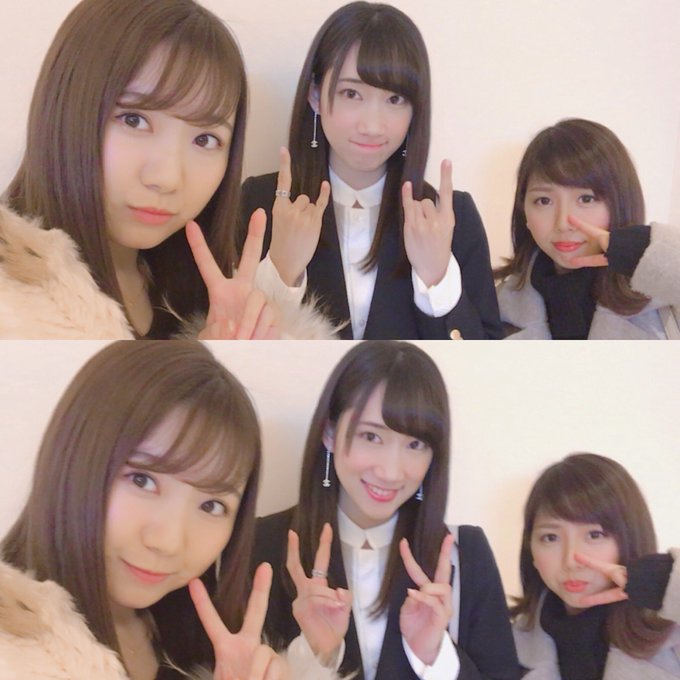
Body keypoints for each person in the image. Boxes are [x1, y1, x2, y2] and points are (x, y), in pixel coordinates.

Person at [0, 341, 338, 680]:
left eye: (211, 505)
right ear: (73, 457)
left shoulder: (191, 630)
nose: (168, 542)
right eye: (142, 480)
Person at [0, 0, 332, 340]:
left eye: (205, 139)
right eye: (134, 120)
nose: (167, 179)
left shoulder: (195, 294)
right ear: (65, 107)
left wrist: (224, 358)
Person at [253, 341, 520, 679]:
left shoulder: (465, 554)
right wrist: (316, 655)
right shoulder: (263, 544)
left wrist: (435, 657)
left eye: (415, 444)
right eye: (371, 437)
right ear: (330, 433)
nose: (391, 472)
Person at [239, 2, 502, 340]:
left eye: (395, 100)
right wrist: (281, 272)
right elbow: (224, 352)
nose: (373, 126)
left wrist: (437, 279)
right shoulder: (260, 205)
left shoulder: (451, 218)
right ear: (315, 95)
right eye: (352, 93)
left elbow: (487, 359)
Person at [495, 118, 680, 339]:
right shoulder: (498, 306)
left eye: (586, 199)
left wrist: (645, 251)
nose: (563, 223)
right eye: (544, 201)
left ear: (621, 203)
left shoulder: (665, 299)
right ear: (524, 211)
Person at [512, 452, 680, 679]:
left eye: (594, 535)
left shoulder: (670, 634)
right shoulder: (506, 645)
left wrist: (664, 581)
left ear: (629, 539)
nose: (571, 561)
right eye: (551, 538)